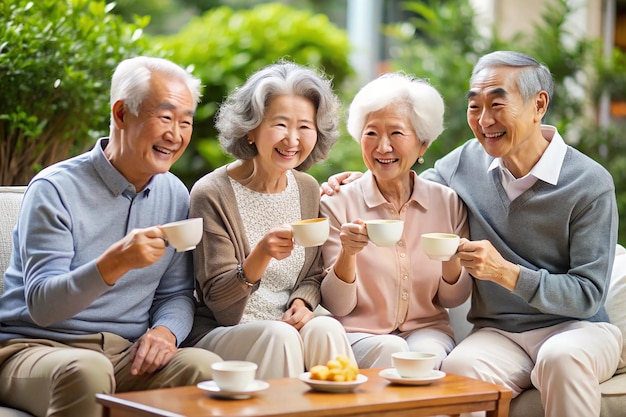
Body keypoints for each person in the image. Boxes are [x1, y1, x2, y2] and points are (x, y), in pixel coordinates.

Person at [322, 51, 622, 417]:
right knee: (460, 370)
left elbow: (588, 295)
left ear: (538, 104)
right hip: (500, 334)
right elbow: (409, 187)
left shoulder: (588, 183)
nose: (484, 120)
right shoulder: (465, 163)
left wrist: (505, 272)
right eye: (474, 106)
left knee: (560, 358)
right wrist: (358, 179)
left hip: (577, 329)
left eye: (497, 104)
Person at [0, 56, 222, 417]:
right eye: (165, 117)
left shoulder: (175, 194)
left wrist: (166, 332)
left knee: (205, 368)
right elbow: (42, 306)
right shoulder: (55, 189)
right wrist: (115, 263)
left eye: (186, 122)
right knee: (88, 371)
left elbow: (177, 294)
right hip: (35, 348)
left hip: (123, 355)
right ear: (121, 114)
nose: (176, 134)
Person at [182, 61, 355, 379]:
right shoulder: (211, 193)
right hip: (224, 333)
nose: (292, 139)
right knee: (281, 335)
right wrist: (259, 256)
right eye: (280, 124)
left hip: (285, 326)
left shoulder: (307, 188)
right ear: (251, 128)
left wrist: (303, 303)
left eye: (305, 126)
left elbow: (313, 274)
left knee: (326, 327)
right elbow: (220, 306)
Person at [319, 72, 470, 370]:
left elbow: (454, 298)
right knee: (392, 350)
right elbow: (337, 305)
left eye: (397, 134)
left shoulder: (447, 202)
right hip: (358, 335)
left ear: (423, 144)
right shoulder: (337, 202)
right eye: (371, 133)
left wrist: (452, 258)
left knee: (424, 357)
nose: (382, 147)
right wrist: (348, 254)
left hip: (427, 332)